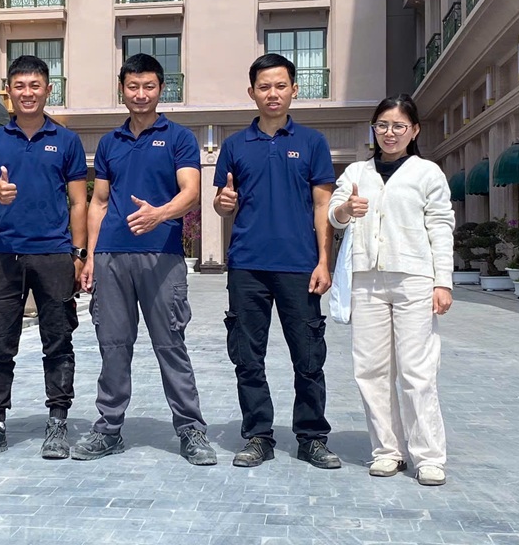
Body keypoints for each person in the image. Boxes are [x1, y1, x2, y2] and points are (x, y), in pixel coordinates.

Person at [73, 53, 216, 466]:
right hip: (112, 256)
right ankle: (108, 429)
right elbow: (99, 202)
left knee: (170, 344)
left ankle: (191, 430)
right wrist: (90, 257)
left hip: (161, 257)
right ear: (122, 89)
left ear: (161, 89)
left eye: (149, 86)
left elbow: (191, 192)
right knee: (113, 345)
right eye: (133, 87)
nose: (141, 94)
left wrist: (159, 214)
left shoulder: (179, 138)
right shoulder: (109, 143)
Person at [212, 53, 340, 470]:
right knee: (247, 357)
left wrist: (324, 261)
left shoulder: (312, 143)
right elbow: (222, 204)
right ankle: (258, 435)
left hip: (299, 266)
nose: (273, 93)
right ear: (251, 92)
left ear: (294, 90)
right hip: (247, 265)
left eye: (280, 85)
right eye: (264, 86)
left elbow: (323, 207)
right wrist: (222, 203)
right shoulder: (234, 145)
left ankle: (312, 437)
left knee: (309, 357)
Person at [0, 55, 88, 461]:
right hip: (5, 255)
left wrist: (79, 254)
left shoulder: (66, 141)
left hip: (54, 254)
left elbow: (79, 202)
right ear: (9, 91)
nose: (28, 93)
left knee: (59, 340)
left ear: (48, 90)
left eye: (35, 85)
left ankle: (57, 422)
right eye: (20, 86)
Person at [327, 93, 454, 486]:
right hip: (366, 278)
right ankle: (387, 450)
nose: (390, 133)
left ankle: (429, 456)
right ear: (374, 129)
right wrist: (346, 210)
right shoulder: (357, 172)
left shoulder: (427, 173)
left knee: (417, 370)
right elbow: (334, 214)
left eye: (399, 126)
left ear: (414, 130)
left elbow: (441, 227)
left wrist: (443, 281)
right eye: (382, 125)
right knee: (371, 369)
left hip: (414, 278)